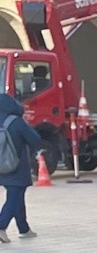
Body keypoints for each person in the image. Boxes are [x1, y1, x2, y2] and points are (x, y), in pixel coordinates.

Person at [0, 92, 43, 242]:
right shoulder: (16, 122)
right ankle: (1, 226)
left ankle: (23, 228)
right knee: (15, 196)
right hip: (16, 166)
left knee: (16, 195)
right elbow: (35, 139)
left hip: (1, 167)